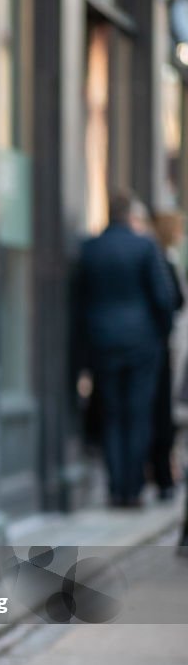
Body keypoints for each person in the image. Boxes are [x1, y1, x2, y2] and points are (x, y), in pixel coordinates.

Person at [78, 191, 175, 508]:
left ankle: (116, 487)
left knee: (112, 413)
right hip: (142, 343)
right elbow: (165, 297)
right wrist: (161, 334)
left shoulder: (91, 249)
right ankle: (132, 490)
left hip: (102, 341)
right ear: (130, 215)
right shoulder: (145, 245)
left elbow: (81, 301)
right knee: (138, 414)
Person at [148, 210, 185, 499]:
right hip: (163, 345)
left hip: (165, 344)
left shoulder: (160, 255)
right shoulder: (160, 257)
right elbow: (171, 300)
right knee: (163, 412)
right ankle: (163, 475)